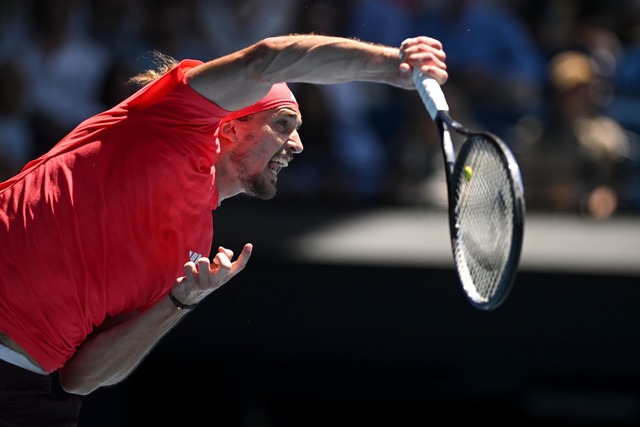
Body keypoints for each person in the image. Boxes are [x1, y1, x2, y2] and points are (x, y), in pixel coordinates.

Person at [0, 33, 447, 425]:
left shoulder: (196, 248)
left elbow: (82, 378)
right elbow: (269, 57)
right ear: (230, 125)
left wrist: (180, 301)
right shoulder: (174, 122)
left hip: (24, 390)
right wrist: (392, 66)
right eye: (284, 123)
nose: (298, 143)